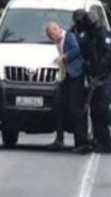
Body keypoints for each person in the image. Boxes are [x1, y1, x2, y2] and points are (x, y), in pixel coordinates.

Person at [46, 21, 89, 153]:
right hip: (66, 76)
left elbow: (76, 50)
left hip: (76, 75)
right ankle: (59, 138)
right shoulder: (58, 42)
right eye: (51, 37)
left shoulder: (69, 36)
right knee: (59, 105)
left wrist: (65, 57)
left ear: (57, 29)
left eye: (54, 35)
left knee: (76, 108)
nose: (54, 39)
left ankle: (81, 141)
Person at [84, 12, 111, 153]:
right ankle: (102, 141)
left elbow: (109, 52)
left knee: (103, 106)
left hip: (105, 76)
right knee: (95, 109)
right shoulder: (89, 36)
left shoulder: (104, 34)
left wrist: (100, 67)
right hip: (95, 76)